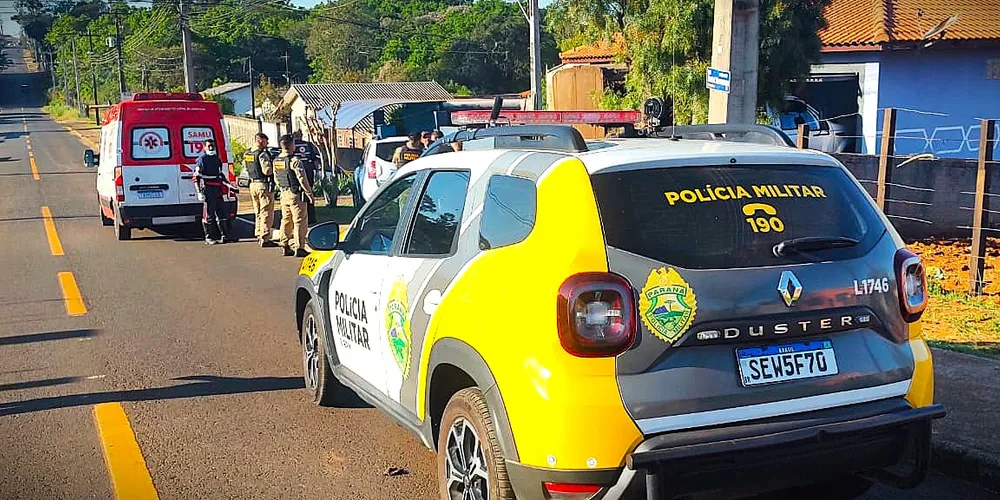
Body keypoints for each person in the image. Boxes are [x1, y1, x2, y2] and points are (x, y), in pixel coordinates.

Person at [273, 134, 315, 257]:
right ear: (292, 145)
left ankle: (284, 244)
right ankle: (299, 247)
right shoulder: (294, 160)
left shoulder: (277, 160)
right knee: (300, 221)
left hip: (284, 193)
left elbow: (276, 178)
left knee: (286, 220)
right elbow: (302, 178)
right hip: (296, 193)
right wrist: (309, 193)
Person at [193, 139, 232, 245]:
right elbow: (196, 177)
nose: (211, 148)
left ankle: (225, 236)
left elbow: (220, 175)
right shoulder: (202, 160)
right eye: (209, 146)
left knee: (222, 213)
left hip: (218, 189)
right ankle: (208, 237)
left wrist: (229, 185)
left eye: (212, 146)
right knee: (209, 215)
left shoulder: (216, 159)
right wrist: (199, 192)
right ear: (204, 148)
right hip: (208, 189)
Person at [245, 132, 276, 247]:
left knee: (257, 211)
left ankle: (258, 233)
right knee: (266, 211)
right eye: (266, 141)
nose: (267, 144)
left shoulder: (248, 153)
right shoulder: (261, 154)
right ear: (260, 140)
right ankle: (265, 237)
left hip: (252, 184)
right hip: (263, 185)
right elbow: (267, 171)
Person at [292, 130, 321, 225]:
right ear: (301, 135)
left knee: (297, 198)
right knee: (309, 194)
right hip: (308, 173)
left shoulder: (291, 145)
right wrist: (317, 171)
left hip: (294, 175)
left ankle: (300, 217)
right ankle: (311, 218)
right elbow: (314, 159)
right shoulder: (308, 145)